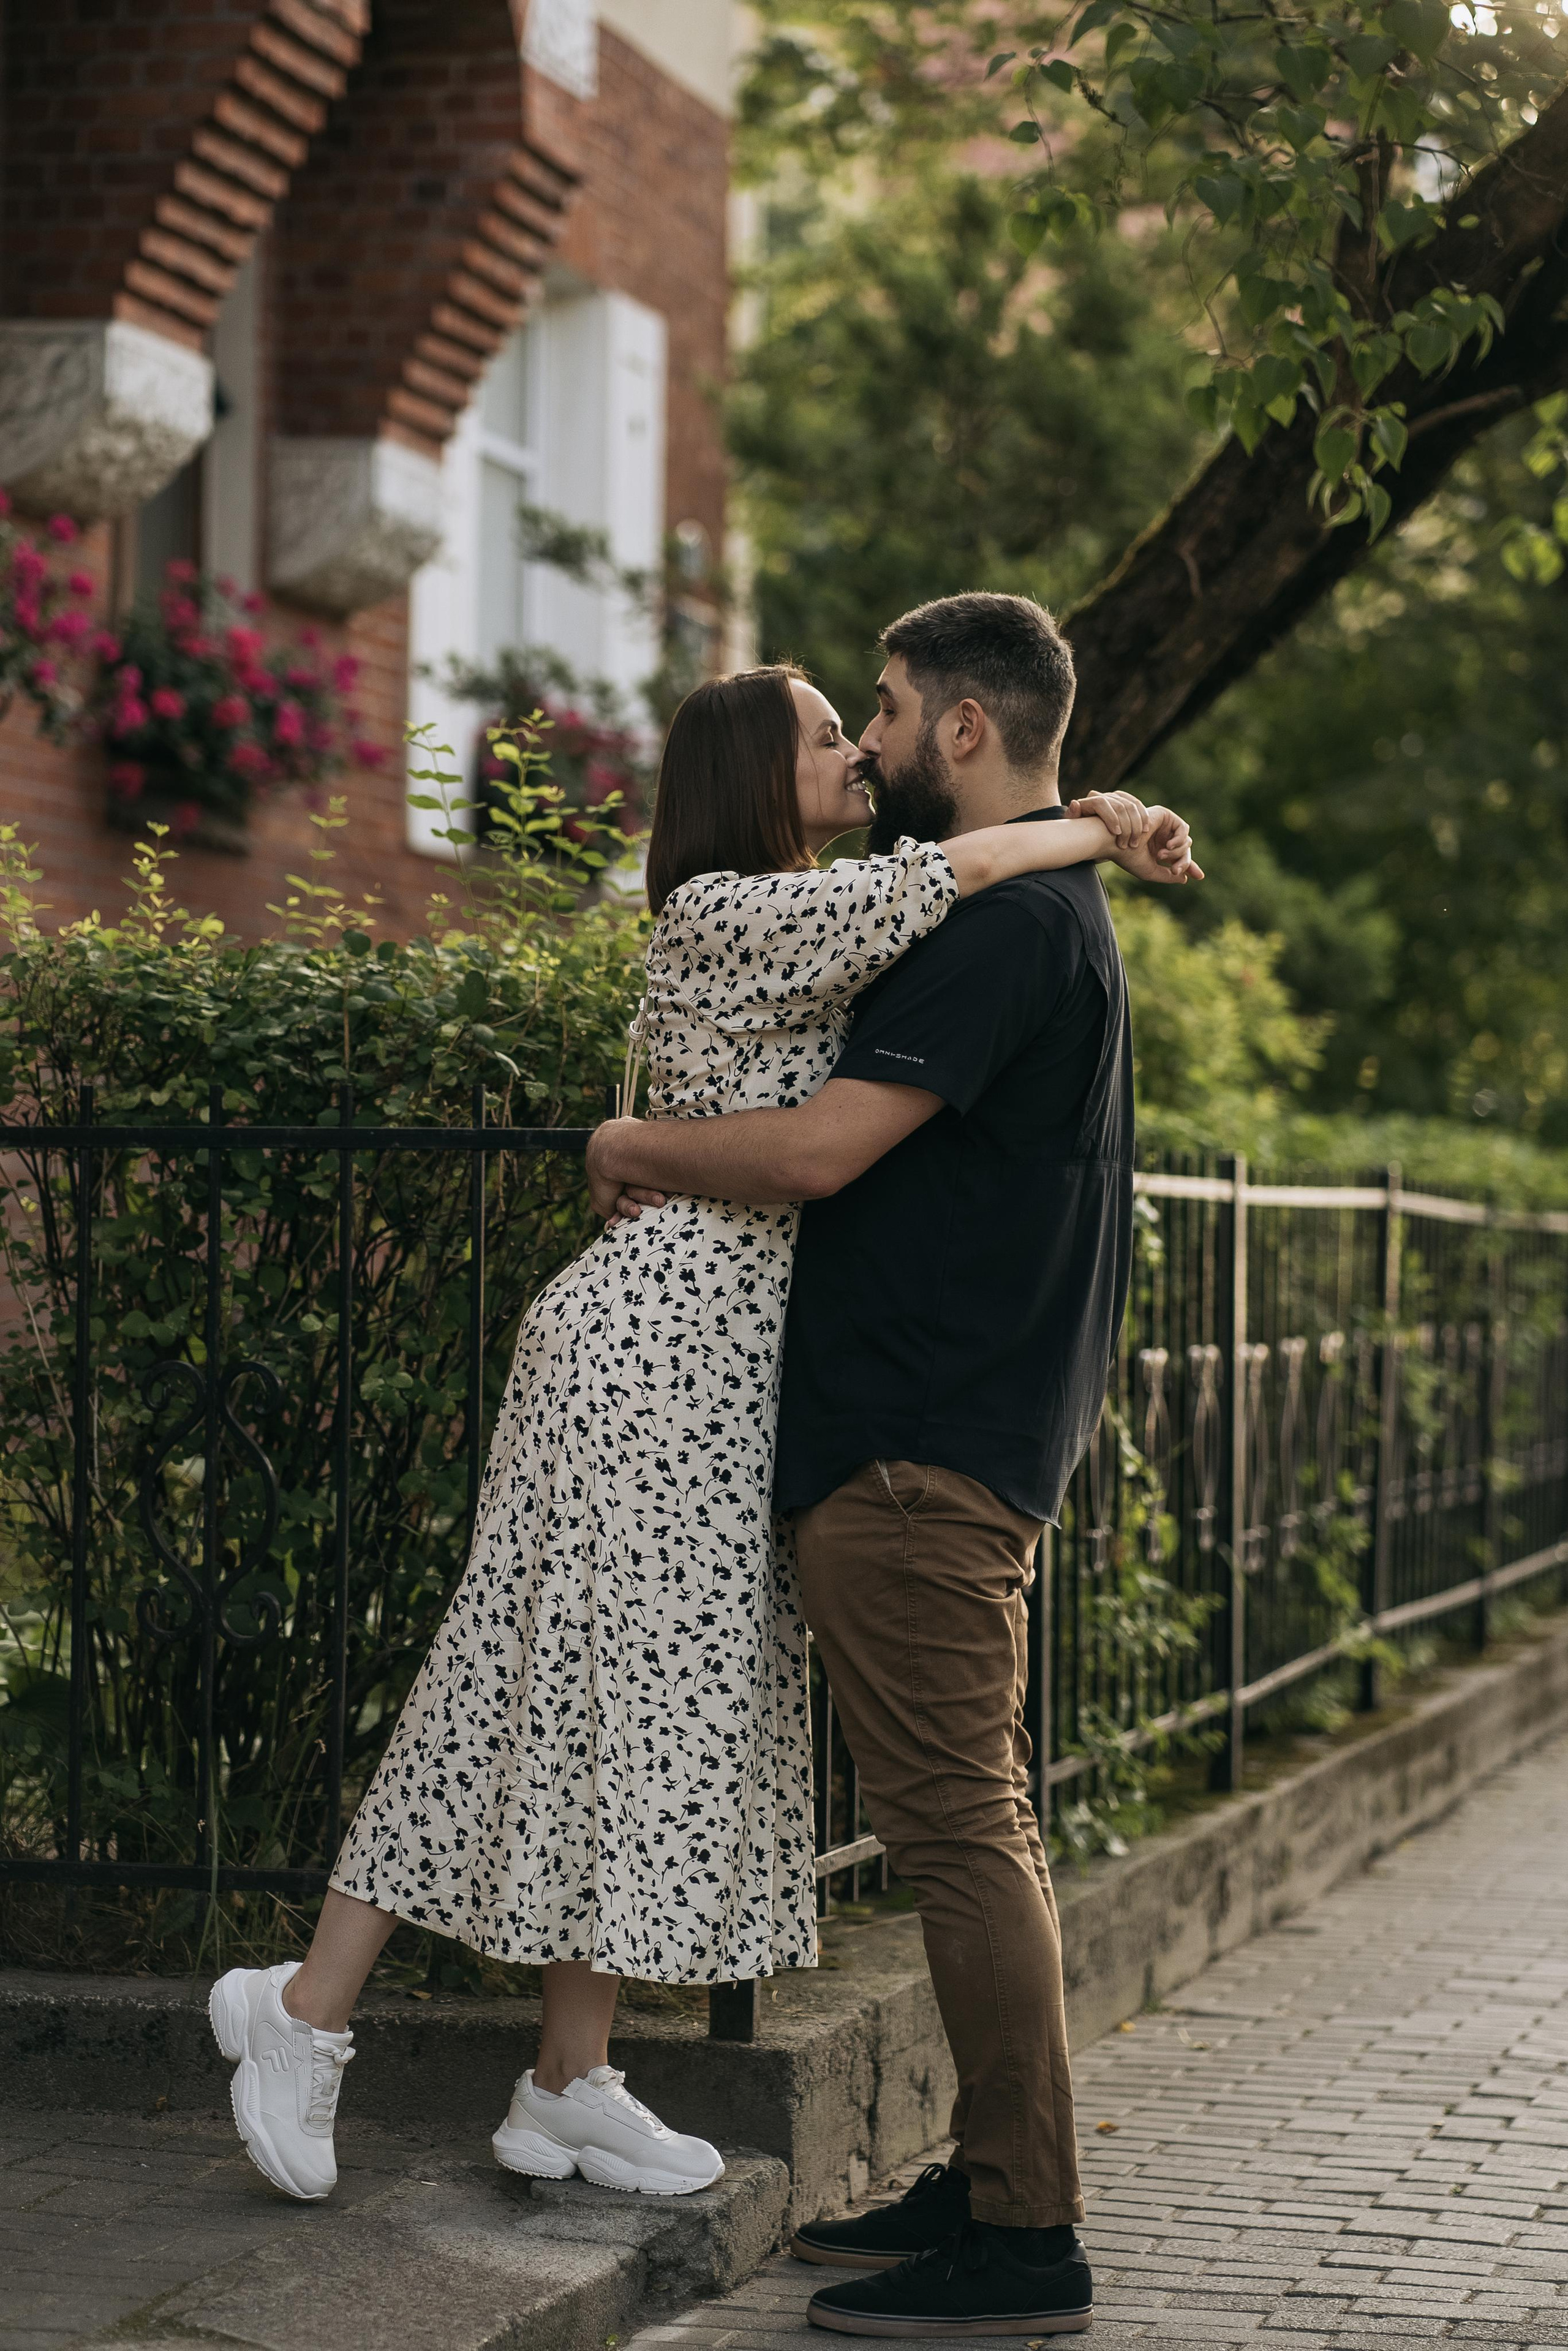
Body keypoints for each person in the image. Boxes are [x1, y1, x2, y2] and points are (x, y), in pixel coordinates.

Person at [206, 652, 1197, 2216]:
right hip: (649, 1355)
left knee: (631, 1708)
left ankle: (566, 2078)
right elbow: (955, 869)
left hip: (720, 1373)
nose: (857, 751)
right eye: (828, 733)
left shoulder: (824, 908)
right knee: (517, 1675)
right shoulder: (733, 909)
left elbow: (954, 880)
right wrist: (1101, 823)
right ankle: (305, 2007)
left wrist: (1103, 812)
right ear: (751, 775)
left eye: (868, 722)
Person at [588, 594, 1159, 2338]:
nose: (877, 738)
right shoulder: (1038, 902)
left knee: (961, 1830)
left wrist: (634, 1140)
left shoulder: (1008, 928)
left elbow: (821, 1152)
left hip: (920, 1449)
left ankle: (1025, 2237)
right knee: (968, 1821)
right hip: (949, 1433)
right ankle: (990, 2178)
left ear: (965, 728)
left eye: (892, 709)